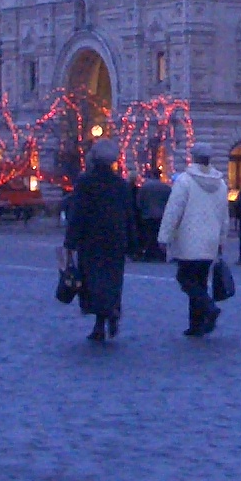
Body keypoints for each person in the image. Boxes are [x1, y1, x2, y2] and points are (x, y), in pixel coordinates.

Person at [65, 140, 136, 343]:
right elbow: (129, 215)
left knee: (93, 281)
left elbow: (76, 213)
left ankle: (99, 324)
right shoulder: (120, 184)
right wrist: (133, 242)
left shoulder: (85, 182)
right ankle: (112, 310)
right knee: (113, 280)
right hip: (116, 240)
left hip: (91, 240)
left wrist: (70, 241)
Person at [157, 147, 231, 337]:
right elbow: (224, 215)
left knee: (185, 279)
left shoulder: (185, 181)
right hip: (210, 241)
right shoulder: (220, 184)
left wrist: (164, 237)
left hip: (189, 239)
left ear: (194, 158)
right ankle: (196, 324)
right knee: (200, 281)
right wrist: (222, 239)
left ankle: (208, 308)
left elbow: (174, 211)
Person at [137, 172, 171, 261]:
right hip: (161, 214)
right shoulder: (165, 187)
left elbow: (139, 201)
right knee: (158, 235)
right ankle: (160, 254)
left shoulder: (145, 187)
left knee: (149, 235)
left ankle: (149, 254)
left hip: (148, 214)